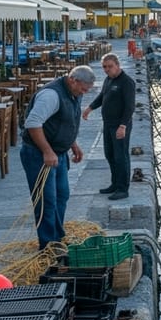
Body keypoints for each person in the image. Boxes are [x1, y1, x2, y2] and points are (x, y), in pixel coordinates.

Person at [21, 64, 96, 248]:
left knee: (62, 195)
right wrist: (47, 151)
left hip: (59, 153)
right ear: (73, 80)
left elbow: (64, 121)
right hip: (39, 154)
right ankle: (47, 245)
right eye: (83, 89)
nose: (84, 93)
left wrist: (73, 143)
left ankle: (57, 236)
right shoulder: (51, 95)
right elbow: (32, 123)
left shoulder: (74, 93)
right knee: (46, 200)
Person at [83, 52, 136, 201]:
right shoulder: (108, 80)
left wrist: (123, 126)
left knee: (121, 156)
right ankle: (115, 183)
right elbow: (102, 97)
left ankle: (123, 188)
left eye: (110, 66)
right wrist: (90, 108)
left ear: (117, 65)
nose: (107, 69)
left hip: (120, 125)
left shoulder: (126, 82)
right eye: (104, 67)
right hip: (108, 124)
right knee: (110, 155)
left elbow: (129, 107)